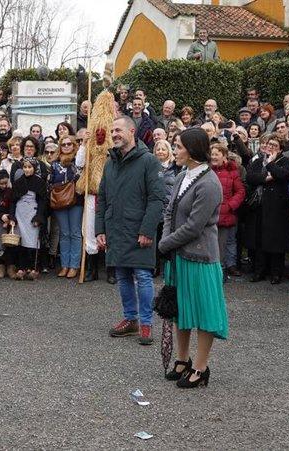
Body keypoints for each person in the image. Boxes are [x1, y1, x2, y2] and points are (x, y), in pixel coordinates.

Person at [159, 127, 227, 388]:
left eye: (178, 146)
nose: (175, 150)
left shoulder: (209, 183)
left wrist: (165, 244)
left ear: (192, 149)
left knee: (204, 312)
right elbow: (169, 212)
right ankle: (182, 358)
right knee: (181, 310)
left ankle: (200, 367)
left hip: (200, 257)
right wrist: (166, 242)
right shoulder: (182, 176)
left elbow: (194, 227)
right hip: (178, 254)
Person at [96, 116, 166, 345]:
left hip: (139, 231)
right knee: (123, 276)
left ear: (132, 131)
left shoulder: (149, 161)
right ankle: (130, 320)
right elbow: (103, 199)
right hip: (116, 229)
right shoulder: (110, 163)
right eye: (112, 130)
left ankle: (146, 324)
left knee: (143, 277)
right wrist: (100, 229)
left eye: (118, 130)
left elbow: (157, 200)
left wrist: (147, 230)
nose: (114, 134)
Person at [246, 135, 289, 284]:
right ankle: (259, 271)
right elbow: (250, 177)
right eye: (268, 143)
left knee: (275, 241)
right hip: (259, 206)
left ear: (280, 147)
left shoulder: (286, 161)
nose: (270, 146)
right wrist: (264, 178)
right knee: (259, 239)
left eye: (274, 144)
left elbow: (283, 175)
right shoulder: (258, 161)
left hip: (277, 208)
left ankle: (276, 273)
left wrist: (271, 164)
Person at [210, 143, 245, 280]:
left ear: (224, 156)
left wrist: (230, 205)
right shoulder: (208, 171)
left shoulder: (233, 172)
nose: (213, 157)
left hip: (227, 213)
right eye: (212, 154)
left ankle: (225, 268)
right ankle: (217, 270)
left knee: (226, 242)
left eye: (216, 154)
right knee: (214, 243)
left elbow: (240, 191)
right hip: (211, 213)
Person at [49, 135, 82, 278]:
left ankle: (74, 265)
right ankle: (64, 265)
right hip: (60, 200)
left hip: (76, 200)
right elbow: (49, 183)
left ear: (74, 145)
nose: (67, 146)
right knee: (64, 233)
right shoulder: (54, 164)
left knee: (75, 232)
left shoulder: (79, 161)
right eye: (63, 144)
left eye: (69, 144)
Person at [10, 157, 47, 281]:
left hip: (33, 212)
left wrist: (39, 216)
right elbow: (13, 201)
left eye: (29, 167)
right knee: (21, 241)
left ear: (34, 168)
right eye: (25, 167)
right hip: (20, 212)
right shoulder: (18, 182)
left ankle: (33, 267)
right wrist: (12, 216)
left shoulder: (40, 182)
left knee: (33, 241)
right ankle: (21, 267)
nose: (27, 169)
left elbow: (42, 201)